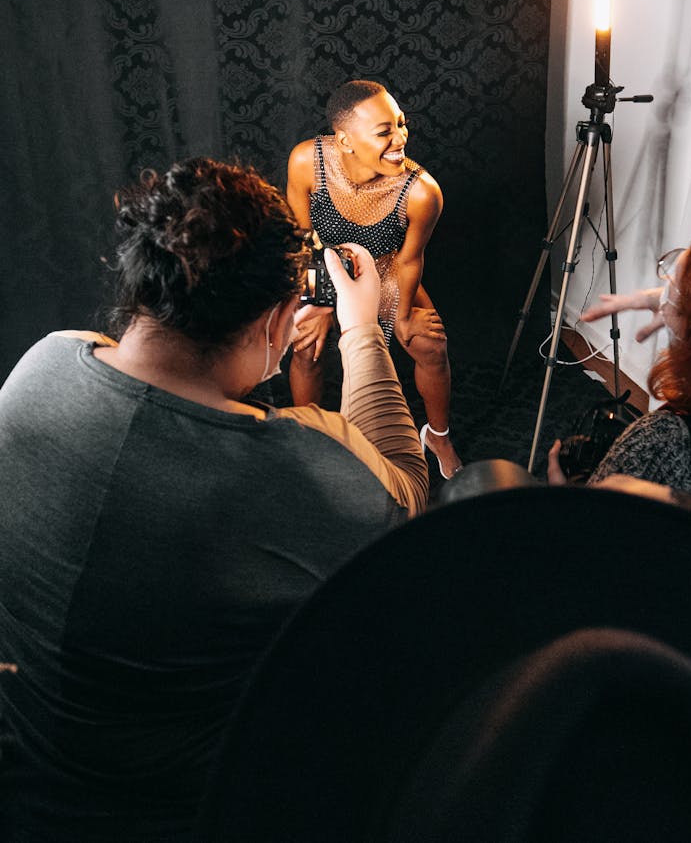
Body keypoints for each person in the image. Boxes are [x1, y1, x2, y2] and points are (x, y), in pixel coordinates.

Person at [0, 157, 428, 842]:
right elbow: (407, 486)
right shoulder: (298, 469)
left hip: (25, 772)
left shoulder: (41, 365)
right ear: (279, 319)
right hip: (180, 810)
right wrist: (360, 330)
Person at [287, 79, 462, 479]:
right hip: (324, 266)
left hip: (385, 271)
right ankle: (304, 434)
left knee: (431, 345)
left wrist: (402, 317)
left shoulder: (422, 192)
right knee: (305, 346)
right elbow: (300, 239)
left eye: (401, 124)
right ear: (345, 140)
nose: (400, 138)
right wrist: (319, 302)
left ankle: (438, 436)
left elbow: (410, 260)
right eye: (384, 131)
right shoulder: (305, 161)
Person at [548, 237, 691, 492]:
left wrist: (562, 492)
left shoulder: (660, 438)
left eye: (673, 282)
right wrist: (677, 305)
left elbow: (588, 523)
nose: (664, 286)